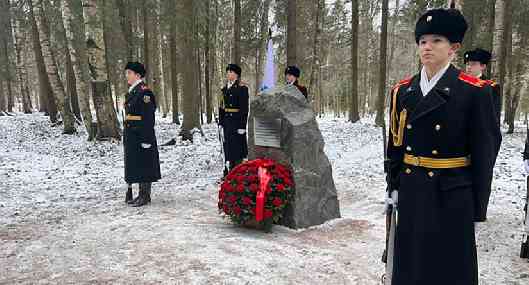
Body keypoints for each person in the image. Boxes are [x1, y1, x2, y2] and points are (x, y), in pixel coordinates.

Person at [385, 6, 501, 285]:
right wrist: (394, 186)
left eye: (436, 41)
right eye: (423, 41)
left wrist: (477, 207)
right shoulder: (403, 90)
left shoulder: (474, 91)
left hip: (451, 192)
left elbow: (485, 151)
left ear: (454, 48)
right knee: (411, 267)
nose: (427, 47)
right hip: (413, 191)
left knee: (449, 269)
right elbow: (395, 145)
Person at [123, 62, 161, 207]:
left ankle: (145, 195)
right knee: (137, 163)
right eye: (127, 73)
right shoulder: (133, 91)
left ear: (138, 75)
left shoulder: (144, 92)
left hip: (141, 134)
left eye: (129, 73)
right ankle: (140, 194)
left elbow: (148, 117)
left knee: (144, 163)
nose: (127, 76)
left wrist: (146, 138)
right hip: (132, 134)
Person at [218, 64, 249, 177]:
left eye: (231, 72)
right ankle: (230, 172)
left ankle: (238, 173)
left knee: (238, 150)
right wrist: (221, 123)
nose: (228, 74)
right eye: (228, 72)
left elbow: (244, 109)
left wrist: (242, 126)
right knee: (228, 148)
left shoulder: (242, 88)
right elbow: (221, 108)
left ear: (236, 74)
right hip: (227, 123)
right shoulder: (224, 89)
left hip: (236, 123)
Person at [464, 48, 502, 124]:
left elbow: (494, 117)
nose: (469, 67)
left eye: (473, 64)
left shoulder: (492, 87)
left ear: (483, 66)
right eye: (467, 64)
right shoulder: (459, 83)